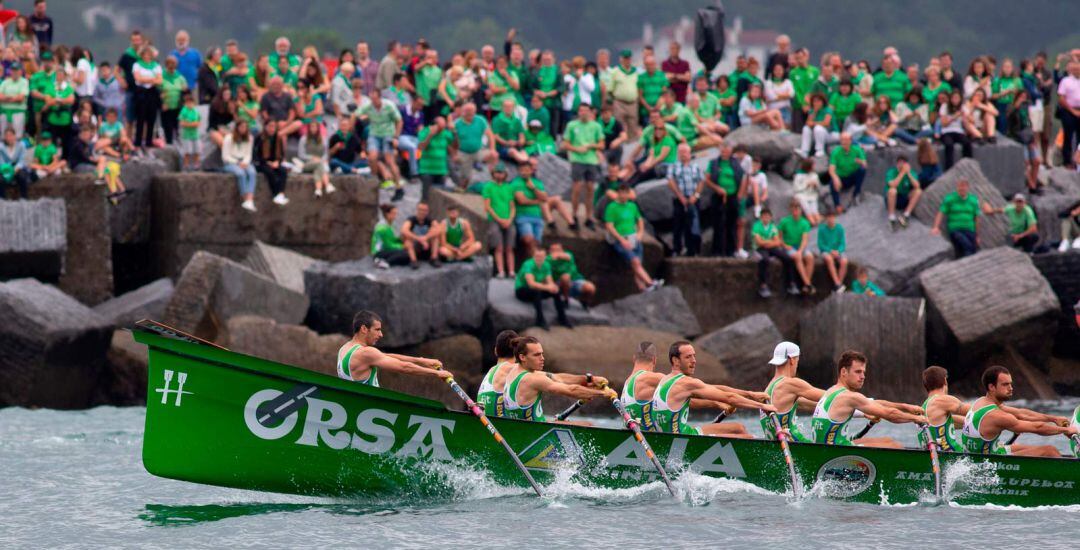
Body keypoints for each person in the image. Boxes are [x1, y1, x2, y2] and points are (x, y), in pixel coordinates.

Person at [620, 341, 757, 437]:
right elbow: (697, 389)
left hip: (648, 435)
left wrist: (715, 403)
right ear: (655, 360)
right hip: (659, 439)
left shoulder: (628, 383)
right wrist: (748, 395)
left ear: (634, 359)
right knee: (741, 431)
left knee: (739, 428)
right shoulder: (651, 378)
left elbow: (683, 400)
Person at [649, 341, 776, 437]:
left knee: (739, 428)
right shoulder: (685, 383)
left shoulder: (666, 379)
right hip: (683, 438)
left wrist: (750, 394)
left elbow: (717, 388)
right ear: (675, 360)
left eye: (694, 356)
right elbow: (729, 398)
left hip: (677, 434)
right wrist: (763, 407)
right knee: (746, 437)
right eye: (688, 357)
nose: (694, 361)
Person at [811, 350, 927, 448]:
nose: (863, 377)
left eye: (863, 372)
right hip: (835, 453)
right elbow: (890, 414)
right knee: (893, 446)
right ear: (843, 372)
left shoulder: (832, 391)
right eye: (858, 372)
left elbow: (874, 403)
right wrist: (916, 418)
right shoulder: (849, 396)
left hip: (831, 448)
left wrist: (906, 407)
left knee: (887, 440)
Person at [960, 366, 1075, 457]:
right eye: (1005, 384)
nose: (1010, 388)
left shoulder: (981, 402)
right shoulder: (996, 415)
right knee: (1050, 451)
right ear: (991, 387)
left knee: (1018, 446)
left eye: (1010, 384)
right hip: (987, 463)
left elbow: (1022, 413)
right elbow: (1037, 428)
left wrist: (1054, 419)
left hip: (982, 454)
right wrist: (1066, 430)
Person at [500, 336, 610, 424]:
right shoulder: (532, 379)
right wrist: (603, 393)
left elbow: (559, 378)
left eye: (542, 354)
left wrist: (589, 379)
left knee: (562, 421)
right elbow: (571, 390)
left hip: (524, 427)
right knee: (588, 425)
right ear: (522, 357)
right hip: (536, 433)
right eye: (537, 355)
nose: (542, 358)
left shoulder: (514, 370)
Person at [336, 310, 451, 386]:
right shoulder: (366, 353)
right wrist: (437, 374)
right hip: (371, 408)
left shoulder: (345, 348)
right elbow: (404, 367)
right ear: (364, 329)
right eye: (377, 329)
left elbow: (385, 356)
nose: (381, 335)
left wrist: (421, 361)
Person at [759, 342, 823, 443]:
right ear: (792, 360)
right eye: (797, 361)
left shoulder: (769, 388)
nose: (797, 365)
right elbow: (831, 397)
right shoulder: (789, 384)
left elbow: (804, 404)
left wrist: (853, 412)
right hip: (794, 444)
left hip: (778, 447)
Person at [605, 184, 662, 293]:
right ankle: (651, 282)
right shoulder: (612, 207)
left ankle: (643, 288)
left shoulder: (632, 206)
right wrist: (621, 240)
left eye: (627, 192)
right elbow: (609, 226)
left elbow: (639, 220)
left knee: (637, 265)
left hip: (633, 237)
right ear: (618, 193)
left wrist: (640, 234)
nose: (624, 195)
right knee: (635, 261)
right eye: (622, 192)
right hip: (620, 239)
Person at [931, 178, 1001, 258]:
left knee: (971, 249)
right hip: (956, 229)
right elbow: (941, 212)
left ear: (968, 187)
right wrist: (935, 227)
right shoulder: (950, 199)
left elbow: (977, 218)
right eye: (960, 186)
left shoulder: (973, 200)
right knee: (967, 246)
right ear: (957, 187)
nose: (962, 188)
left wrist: (977, 235)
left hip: (969, 230)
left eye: (964, 186)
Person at [563, 103, 604, 230]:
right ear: (578, 112)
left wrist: (592, 146)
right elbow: (566, 144)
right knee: (577, 187)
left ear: (590, 112)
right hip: (577, 159)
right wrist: (577, 149)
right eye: (581, 110)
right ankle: (574, 214)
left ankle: (588, 216)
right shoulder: (572, 125)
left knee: (590, 188)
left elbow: (602, 144)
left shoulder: (596, 126)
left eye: (586, 110)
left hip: (591, 160)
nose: (584, 113)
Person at [359, 88, 404, 192]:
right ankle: (375, 181)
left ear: (379, 97)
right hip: (376, 142)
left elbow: (399, 121)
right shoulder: (368, 113)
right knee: (373, 158)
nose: (373, 101)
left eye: (375, 99)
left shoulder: (389, 106)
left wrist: (396, 137)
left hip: (388, 135)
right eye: (372, 99)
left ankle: (398, 184)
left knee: (390, 160)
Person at [705, 143, 746, 257]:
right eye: (723, 151)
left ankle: (730, 251)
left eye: (727, 151)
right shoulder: (714, 163)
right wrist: (717, 188)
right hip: (718, 196)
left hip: (732, 196)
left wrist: (739, 194)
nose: (724, 153)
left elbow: (743, 178)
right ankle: (716, 251)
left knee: (731, 224)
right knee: (717, 224)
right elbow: (707, 179)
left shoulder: (735, 163)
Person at [515, 247, 571, 329]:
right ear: (533, 256)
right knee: (536, 292)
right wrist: (548, 287)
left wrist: (553, 287)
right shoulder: (528, 264)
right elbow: (531, 284)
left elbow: (549, 281)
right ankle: (540, 320)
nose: (539, 258)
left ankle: (562, 318)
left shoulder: (546, 265)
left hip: (537, 288)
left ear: (545, 257)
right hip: (522, 290)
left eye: (541, 256)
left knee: (556, 292)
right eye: (537, 256)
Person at [667, 143, 705, 257]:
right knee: (678, 225)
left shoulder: (696, 166)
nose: (683, 154)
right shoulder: (673, 166)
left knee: (692, 225)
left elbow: (701, 181)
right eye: (681, 152)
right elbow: (670, 181)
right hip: (679, 199)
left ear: (689, 153)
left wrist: (696, 195)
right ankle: (677, 249)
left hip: (693, 199)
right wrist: (680, 196)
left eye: (685, 152)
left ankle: (692, 250)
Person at [476, 329, 520, 416]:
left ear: (495, 351)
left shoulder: (492, 370)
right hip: (499, 426)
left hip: (485, 422)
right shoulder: (510, 368)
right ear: (517, 353)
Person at [451, 102, 495, 187]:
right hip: (463, 152)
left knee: (494, 155)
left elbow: (490, 135)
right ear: (462, 111)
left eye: (471, 111)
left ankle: (494, 178)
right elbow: (451, 142)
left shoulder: (480, 120)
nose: (469, 113)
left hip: (478, 150)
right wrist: (454, 155)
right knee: (465, 178)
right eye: (467, 110)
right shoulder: (456, 124)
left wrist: (492, 149)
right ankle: (464, 184)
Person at [778, 200, 815, 295]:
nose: (795, 212)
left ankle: (805, 285)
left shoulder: (804, 223)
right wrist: (785, 245)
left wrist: (800, 250)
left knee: (810, 257)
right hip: (788, 246)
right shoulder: (784, 221)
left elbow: (805, 239)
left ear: (800, 211)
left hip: (800, 246)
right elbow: (779, 238)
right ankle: (808, 283)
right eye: (793, 210)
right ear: (791, 210)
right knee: (797, 257)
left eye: (797, 210)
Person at [130, 46, 162, 153]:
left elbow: (160, 80)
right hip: (141, 93)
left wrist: (148, 80)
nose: (147, 57)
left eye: (149, 55)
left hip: (152, 93)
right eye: (145, 54)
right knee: (140, 118)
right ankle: (138, 142)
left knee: (151, 118)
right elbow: (138, 78)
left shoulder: (156, 66)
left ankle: (149, 141)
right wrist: (152, 79)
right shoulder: (137, 65)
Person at [222, 120, 257, 212]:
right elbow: (225, 156)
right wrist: (237, 162)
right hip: (231, 162)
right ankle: (245, 198)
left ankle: (250, 198)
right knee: (240, 173)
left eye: (245, 127)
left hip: (244, 161)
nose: (243, 129)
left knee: (252, 172)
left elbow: (248, 154)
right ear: (237, 127)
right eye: (241, 127)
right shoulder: (228, 138)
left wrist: (245, 162)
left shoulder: (249, 138)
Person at [547, 241, 595, 308]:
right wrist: (551, 257)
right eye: (553, 250)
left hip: (575, 280)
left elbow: (568, 257)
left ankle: (584, 301)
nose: (556, 252)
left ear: (562, 250)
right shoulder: (547, 260)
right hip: (559, 283)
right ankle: (565, 300)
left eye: (558, 250)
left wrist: (558, 255)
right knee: (565, 278)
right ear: (549, 251)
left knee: (591, 287)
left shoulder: (569, 254)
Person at [827, 132, 867, 211]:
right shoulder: (836, 152)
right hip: (841, 178)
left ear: (850, 141)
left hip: (852, 176)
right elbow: (831, 169)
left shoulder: (857, 150)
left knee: (862, 170)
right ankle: (837, 205)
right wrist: (835, 178)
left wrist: (860, 162)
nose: (844, 142)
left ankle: (856, 194)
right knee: (832, 182)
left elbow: (865, 164)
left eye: (846, 140)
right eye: (842, 140)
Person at [254, 119, 289, 206]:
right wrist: (267, 162)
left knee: (283, 171)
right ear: (265, 127)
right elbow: (255, 155)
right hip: (262, 163)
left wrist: (277, 161)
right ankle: (276, 194)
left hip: (275, 162)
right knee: (270, 172)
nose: (272, 129)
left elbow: (281, 154)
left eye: (274, 126)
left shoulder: (278, 138)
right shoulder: (260, 138)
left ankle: (281, 194)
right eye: (270, 126)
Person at [297, 120, 334, 198]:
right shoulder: (303, 139)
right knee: (319, 165)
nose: (313, 129)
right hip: (307, 164)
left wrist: (321, 159)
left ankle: (318, 190)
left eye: (315, 127)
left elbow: (326, 153)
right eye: (311, 127)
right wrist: (312, 158)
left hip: (320, 162)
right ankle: (327, 185)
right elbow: (301, 154)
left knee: (318, 168)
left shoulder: (323, 139)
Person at [609, 49, 640, 140]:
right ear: (621, 59)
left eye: (628, 58)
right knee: (619, 125)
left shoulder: (636, 72)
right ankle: (620, 144)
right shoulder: (615, 71)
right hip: (619, 102)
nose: (627, 60)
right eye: (625, 58)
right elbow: (610, 89)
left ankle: (631, 145)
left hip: (633, 103)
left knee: (633, 125)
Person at [884, 156, 923, 228]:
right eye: (900, 162)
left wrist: (908, 174)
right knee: (892, 190)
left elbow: (917, 185)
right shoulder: (891, 172)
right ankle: (891, 217)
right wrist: (901, 173)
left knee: (918, 191)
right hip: (892, 198)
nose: (901, 165)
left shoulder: (911, 172)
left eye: (904, 163)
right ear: (897, 163)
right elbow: (892, 185)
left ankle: (906, 215)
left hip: (904, 197)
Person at [401, 201, 443, 269]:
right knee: (407, 241)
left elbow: (439, 229)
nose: (422, 212)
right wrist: (419, 239)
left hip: (426, 244)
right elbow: (404, 230)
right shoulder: (411, 219)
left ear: (427, 211)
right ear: (417, 210)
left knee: (435, 238)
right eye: (420, 210)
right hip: (415, 243)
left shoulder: (430, 220)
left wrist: (426, 237)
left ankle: (434, 258)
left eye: (425, 210)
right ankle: (413, 260)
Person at [939, 90, 973, 170]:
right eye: (954, 98)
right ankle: (948, 169)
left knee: (967, 143)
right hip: (946, 131)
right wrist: (955, 116)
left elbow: (971, 120)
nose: (955, 100)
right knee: (949, 145)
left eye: (957, 98)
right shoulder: (944, 106)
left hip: (959, 131)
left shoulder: (963, 107)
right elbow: (944, 123)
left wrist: (965, 118)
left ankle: (968, 167)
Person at [798, 92, 837, 157]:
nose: (816, 103)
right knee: (806, 128)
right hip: (818, 134)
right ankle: (804, 151)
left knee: (818, 128)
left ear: (823, 102)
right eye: (814, 101)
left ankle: (820, 150)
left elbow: (826, 123)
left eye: (818, 101)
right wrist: (815, 112)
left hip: (831, 134)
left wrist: (814, 123)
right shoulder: (812, 111)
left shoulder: (828, 110)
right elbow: (808, 123)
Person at [818, 209, 848, 293]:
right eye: (829, 217)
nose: (831, 219)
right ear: (826, 218)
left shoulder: (839, 228)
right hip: (827, 251)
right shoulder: (822, 229)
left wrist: (838, 251)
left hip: (837, 251)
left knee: (844, 261)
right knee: (829, 259)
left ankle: (838, 285)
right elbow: (820, 244)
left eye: (832, 217)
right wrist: (830, 251)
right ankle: (837, 283)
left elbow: (842, 243)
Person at [371, 204, 409, 269]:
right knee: (405, 254)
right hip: (379, 252)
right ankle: (385, 262)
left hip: (385, 250)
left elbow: (391, 240)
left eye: (396, 213)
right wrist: (402, 246)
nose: (395, 216)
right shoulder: (382, 228)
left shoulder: (387, 225)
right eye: (393, 213)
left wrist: (400, 240)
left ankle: (382, 261)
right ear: (387, 214)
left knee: (406, 259)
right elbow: (388, 245)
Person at [0, 127, 31, 199]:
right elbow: (1, 161)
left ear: (14, 136)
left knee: (22, 176)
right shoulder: (1, 147)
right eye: (7, 136)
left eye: (11, 135)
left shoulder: (21, 146)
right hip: (5, 168)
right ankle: (2, 198)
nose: (9, 138)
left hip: (17, 167)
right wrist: (7, 169)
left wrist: (15, 169)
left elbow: (22, 160)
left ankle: (24, 197)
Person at [0, 63, 28, 137]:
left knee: (17, 136)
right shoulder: (5, 82)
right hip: (4, 112)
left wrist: (6, 98)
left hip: (17, 112)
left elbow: (21, 98)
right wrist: (14, 97)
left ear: (20, 71)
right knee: (3, 136)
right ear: (10, 71)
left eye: (16, 70)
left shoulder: (24, 82)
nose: (14, 72)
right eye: (13, 70)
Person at [176, 92, 200, 170]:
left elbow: (198, 123)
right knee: (187, 151)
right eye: (188, 102)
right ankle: (186, 166)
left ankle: (196, 165)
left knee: (197, 150)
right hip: (186, 135)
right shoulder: (184, 111)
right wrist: (192, 124)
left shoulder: (195, 111)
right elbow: (182, 123)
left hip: (195, 134)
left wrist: (189, 123)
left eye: (191, 102)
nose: (190, 104)